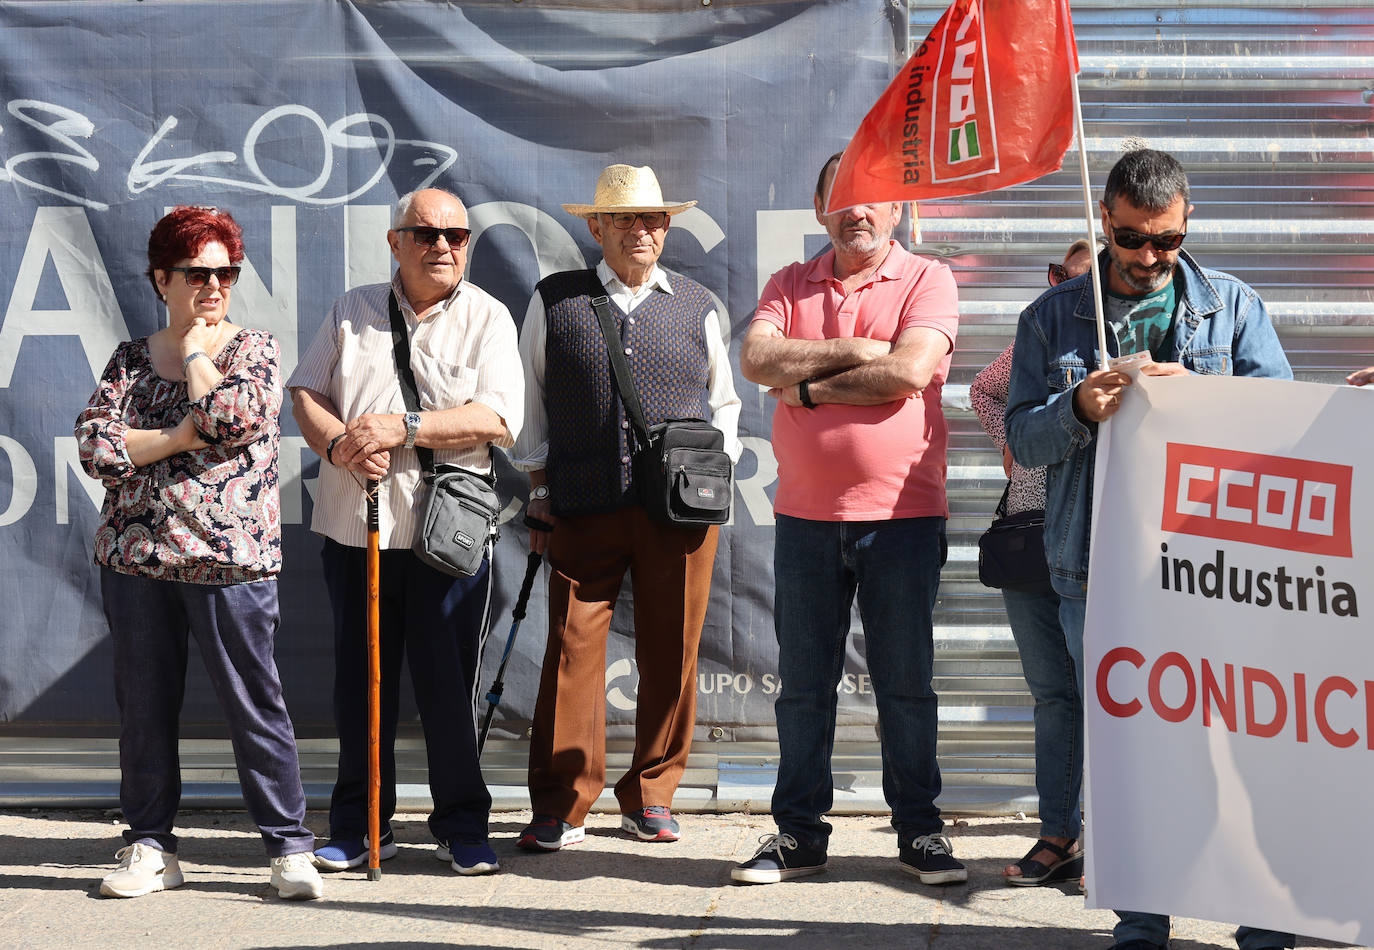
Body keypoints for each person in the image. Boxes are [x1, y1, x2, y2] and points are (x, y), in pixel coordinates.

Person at [1005, 148, 1294, 950]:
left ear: (1187, 221)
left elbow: (1279, 430)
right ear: (1104, 218)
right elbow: (1024, 441)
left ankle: (1265, 928)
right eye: (1132, 238)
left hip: (1218, 577)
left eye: (1164, 241)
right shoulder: (1052, 317)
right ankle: (1140, 925)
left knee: (1244, 750)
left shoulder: (1233, 306)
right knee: (1129, 758)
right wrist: (1079, 407)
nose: (1147, 257)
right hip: (1098, 574)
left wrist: (1198, 401)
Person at [76, 206, 322, 901]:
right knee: (144, 709)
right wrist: (182, 438)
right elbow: (98, 447)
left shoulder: (256, 352)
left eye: (226, 272)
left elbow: (230, 418)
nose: (214, 286)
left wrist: (191, 353)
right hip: (135, 561)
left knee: (255, 704)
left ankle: (287, 849)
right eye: (197, 273)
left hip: (228, 561)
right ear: (163, 278)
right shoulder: (127, 359)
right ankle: (149, 845)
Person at [730, 151, 963, 886]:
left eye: (873, 199)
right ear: (819, 206)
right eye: (842, 199)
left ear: (896, 210)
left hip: (902, 517)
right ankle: (799, 836)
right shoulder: (788, 284)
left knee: (904, 682)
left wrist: (804, 391)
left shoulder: (928, 278)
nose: (857, 212)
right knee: (803, 685)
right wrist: (854, 349)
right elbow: (757, 360)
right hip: (804, 519)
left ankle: (920, 833)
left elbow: (908, 372)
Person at [288, 188, 523, 876]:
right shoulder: (350, 311)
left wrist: (405, 428)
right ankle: (361, 824)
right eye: (425, 233)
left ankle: (461, 825)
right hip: (354, 532)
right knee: (361, 685)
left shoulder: (488, 317)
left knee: (448, 687)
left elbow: (500, 419)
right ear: (396, 242)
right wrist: (337, 446)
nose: (442, 245)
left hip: (446, 539)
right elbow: (306, 393)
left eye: (454, 233)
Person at [511, 163, 740, 850]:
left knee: (673, 653)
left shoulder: (698, 304)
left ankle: (652, 794)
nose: (642, 231)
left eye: (653, 219)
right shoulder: (556, 300)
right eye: (626, 219)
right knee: (571, 651)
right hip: (583, 504)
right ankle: (561, 803)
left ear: (667, 228)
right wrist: (541, 487)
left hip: (680, 515)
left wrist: (705, 472)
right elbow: (530, 403)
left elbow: (725, 404)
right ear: (596, 227)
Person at [970, 240, 1094, 887]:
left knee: (1108, 696)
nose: (1067, 293)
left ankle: (1115, 839)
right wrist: (1014, 450)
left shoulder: (1124, 346)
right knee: (1052, 694)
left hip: (1098, 544)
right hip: (1029, 541)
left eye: (1082, 283)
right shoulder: (1038, 333)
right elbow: (984, 390)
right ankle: (1058, 833)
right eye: (1060, 280)